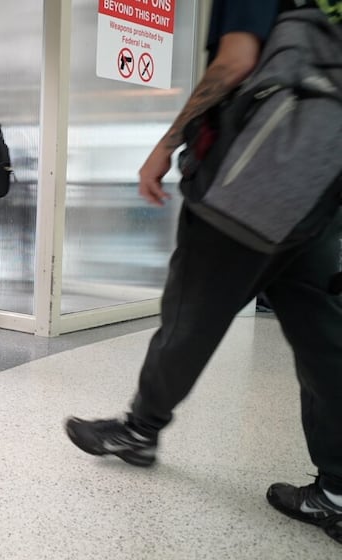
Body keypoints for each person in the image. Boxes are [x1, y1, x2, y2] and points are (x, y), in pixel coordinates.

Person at [65, 0, 342, 545]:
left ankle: (139, 431)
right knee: (323, 340)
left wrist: (165, 144)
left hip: (246, 189)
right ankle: (336, 490)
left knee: (189, 319)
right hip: (315, 195)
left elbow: (235, 61)